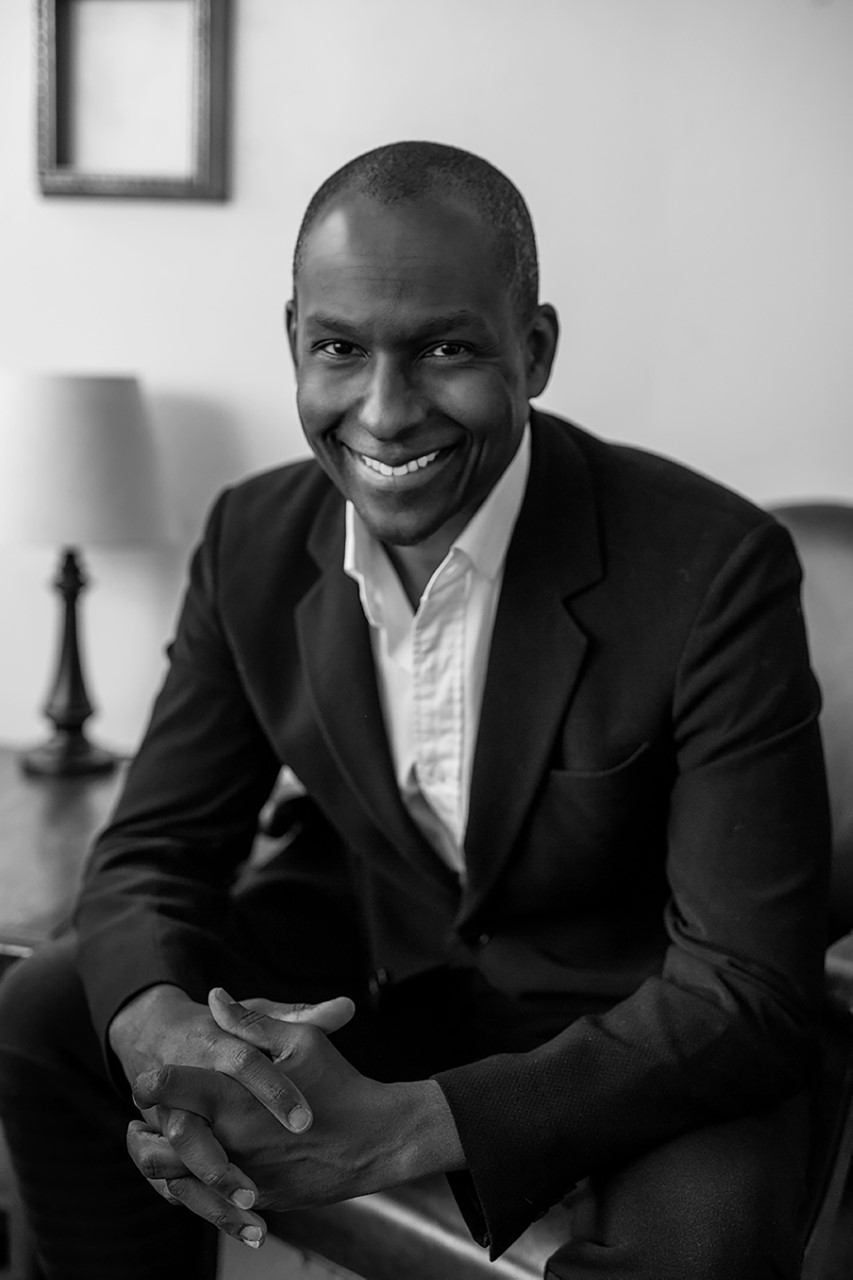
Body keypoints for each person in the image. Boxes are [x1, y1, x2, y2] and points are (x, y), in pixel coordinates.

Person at [0, 141, 831, 1280]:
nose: (384, 413)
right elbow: (154, 846)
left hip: (637, 1011)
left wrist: (395, 1126)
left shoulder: (714, 565)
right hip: (378, 962)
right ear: (294, 338)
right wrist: (157, 1026)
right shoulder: (250, 536)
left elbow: (748, 986)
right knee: (49, 1006)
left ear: (532, 350)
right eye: (338, 349)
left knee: (702, 1247)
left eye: (443, 348)